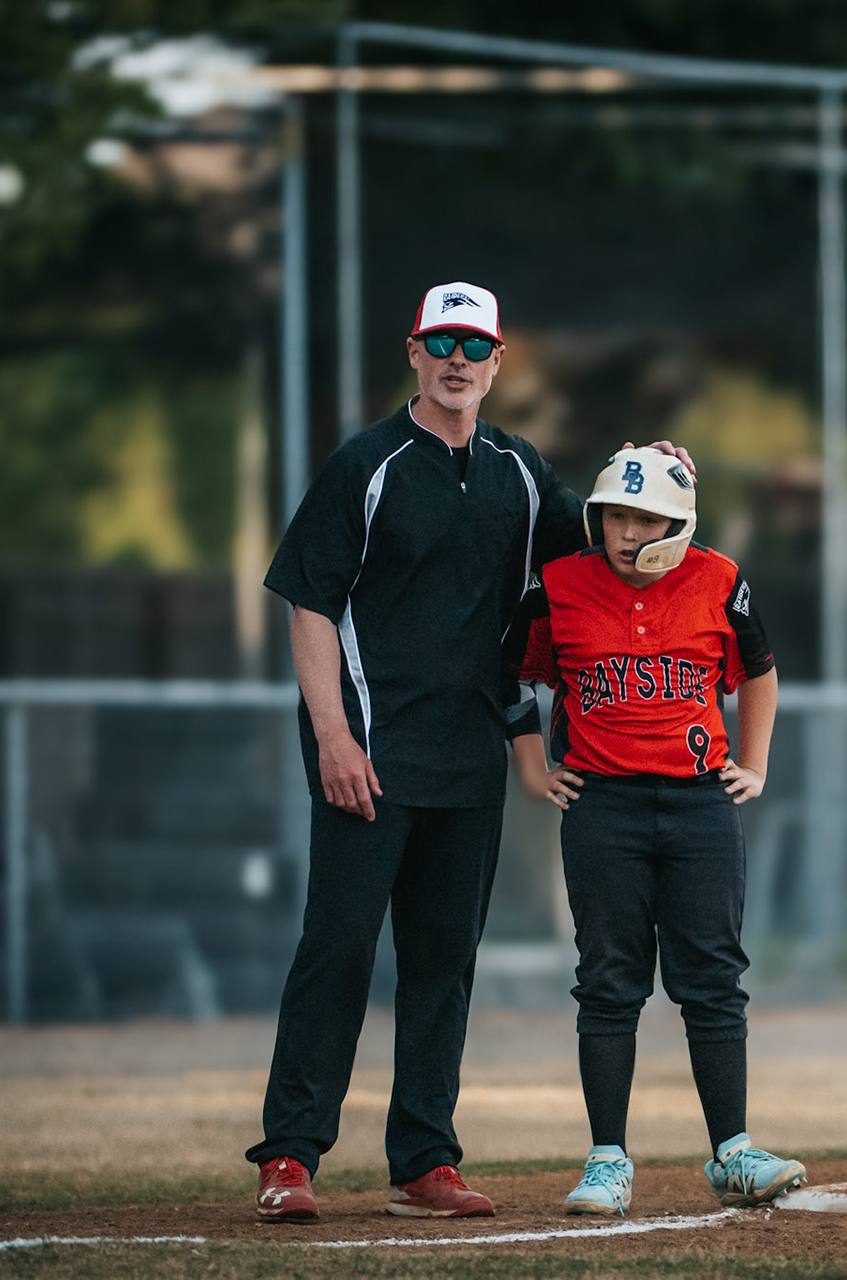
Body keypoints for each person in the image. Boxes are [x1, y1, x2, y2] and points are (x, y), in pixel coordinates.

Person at [250, 281, 691, 1221]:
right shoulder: (367, 465)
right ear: (414, 351)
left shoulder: (520, 473)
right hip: (367, 752)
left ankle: (424, 1160)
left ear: (496, 364)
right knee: (337, 949)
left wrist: (650, 466)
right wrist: (332, 734)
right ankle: (289, 1156)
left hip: (468, 756)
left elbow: (610, 526)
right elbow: (310, 602)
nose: (458, 359)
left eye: (475, 346)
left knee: (444, 959)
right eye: (441, 341)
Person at [506, 447, 807, 1216]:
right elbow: (513, 673)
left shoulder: (718, 578)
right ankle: (607, 1159)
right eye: (614, 514)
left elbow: (761, 670)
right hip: (603, 805)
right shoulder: (561, 583)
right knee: (609, 982)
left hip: (700, 806)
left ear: (677, 525)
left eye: (644, 519)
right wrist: (535, 767)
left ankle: (733, 1153)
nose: (625, 530)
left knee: (711, 979)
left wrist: (756, 764)